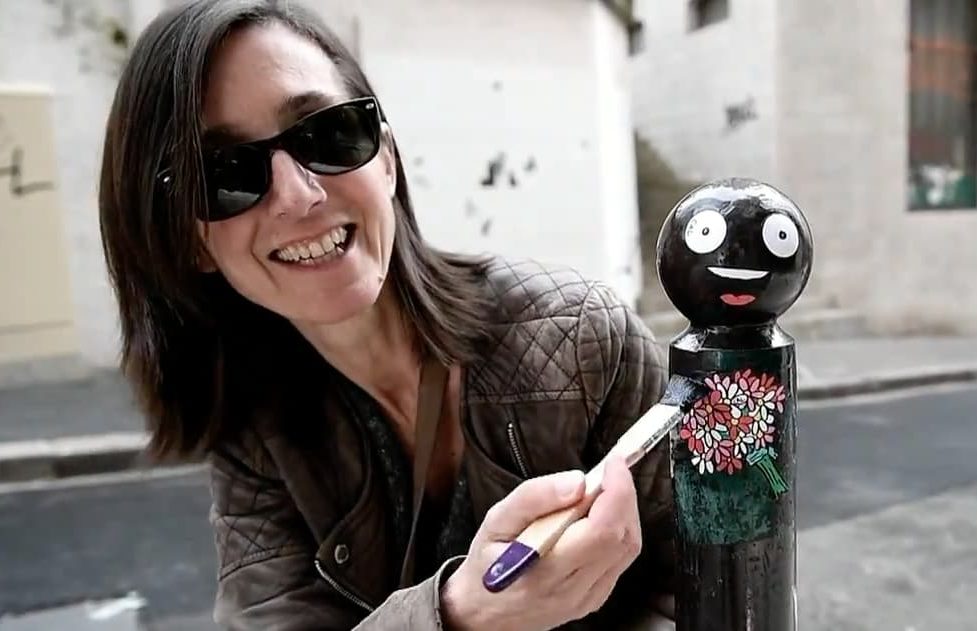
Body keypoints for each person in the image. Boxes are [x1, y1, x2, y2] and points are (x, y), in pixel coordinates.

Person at [96, 1, 676, 629]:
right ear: (190, 243)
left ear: (387, 159)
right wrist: (457, 614)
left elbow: (722, 578)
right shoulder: (255, 436)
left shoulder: (582, 338)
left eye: (326, 133)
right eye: (225, 174)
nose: (300, 195)